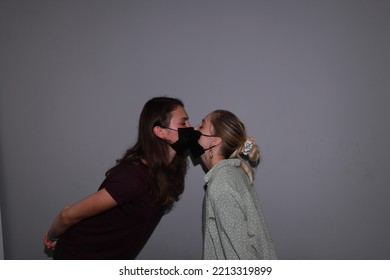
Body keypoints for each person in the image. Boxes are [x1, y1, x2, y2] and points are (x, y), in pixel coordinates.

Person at [43, 96, 193, 259]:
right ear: (160, 131)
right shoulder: (132, 176)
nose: (190, 128)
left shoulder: (169, 171)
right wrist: (51, 236)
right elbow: (67, 215)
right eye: (183, 123)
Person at [194, 109, 277, 260]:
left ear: (214, 140)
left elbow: (239, 257)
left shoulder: (221, 183)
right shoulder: (234, 173)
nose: (194, 128)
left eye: (202, 126)